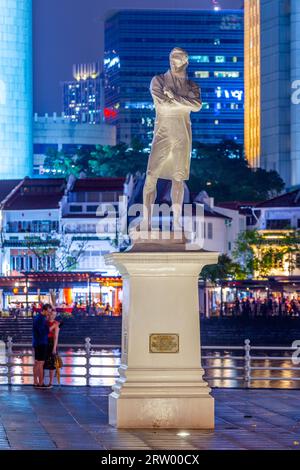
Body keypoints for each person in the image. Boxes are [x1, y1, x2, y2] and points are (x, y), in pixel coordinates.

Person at [141, 47, 202, 230]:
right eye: (171, 59)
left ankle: (176, 222)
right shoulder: (158, 81)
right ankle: (146, 222)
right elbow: (163, 105)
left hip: (182, 134)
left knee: (178, 179)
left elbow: (197, 105)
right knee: (151, 176)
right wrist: (182, 103)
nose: (173, 62)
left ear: (185, 61)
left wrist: (174, 97)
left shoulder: (192, 85)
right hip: (163, 133)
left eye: (177, 59)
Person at [32, 303, 52, 388]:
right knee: (40, 363)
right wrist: (51, 327)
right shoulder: (41, 319)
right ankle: (41, 383)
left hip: (36, 342)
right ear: (44, 310)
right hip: (41, 342)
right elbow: (42, 332)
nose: (49, 313)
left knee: (36, 362)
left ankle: (35, 382)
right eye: (48, 311)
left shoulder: (37, 317)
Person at [43, 309, 60, 388]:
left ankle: (50, 382)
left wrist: (54, 348)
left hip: (52, 343)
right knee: (42, 363)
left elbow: (56, 337)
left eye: (54, 314)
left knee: (52, 364)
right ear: (48, 314)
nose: (52, 315)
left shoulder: (56, 323)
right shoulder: (44, 322)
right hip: (43, 342)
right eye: (51, 314)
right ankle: (41, 381)